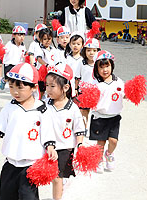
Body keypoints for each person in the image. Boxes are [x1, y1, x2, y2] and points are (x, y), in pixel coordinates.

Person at [0, 62, 57, 200]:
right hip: (10, 164)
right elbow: (0, 128)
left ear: (34, 87)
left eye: (20, 88)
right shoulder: (9, 107)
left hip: (31, 166)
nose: (15, 92)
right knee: (6, 196)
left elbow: (48, 132)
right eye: (11, 87)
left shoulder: (42, 109)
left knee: (28, 197)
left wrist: (51, 148)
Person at [45, 62, 85, 200]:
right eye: (47, 85)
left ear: (66, 87)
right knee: (50, 176)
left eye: (52, 86)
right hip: (47, 147)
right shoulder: (45, 104)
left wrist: (79, 144)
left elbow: (79, 129)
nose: (48, 90)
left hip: (64, 148)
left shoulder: (73, 108)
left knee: (57, 177)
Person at [89, 50, 124, 173]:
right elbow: (89, 99)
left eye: (107, 66)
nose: (105, 70)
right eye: (101, 67)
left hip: (114, 116)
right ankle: (99, 159)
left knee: (113, 140)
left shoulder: (118, 81)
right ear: (96, 69)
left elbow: (124, 94)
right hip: (99, 117)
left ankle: (109, 154)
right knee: (101, 142)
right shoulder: (95, 83)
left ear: (112, 66)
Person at [75, 38, 101, 134]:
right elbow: (77, 78)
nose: (91, 53)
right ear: (84, 51)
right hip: (84, 91)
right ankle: (84, 129)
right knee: (84, 112)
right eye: (89, 50)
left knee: (97, 113)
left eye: (94, 50)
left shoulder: (100, 64)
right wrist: (76, 89)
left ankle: (95, 130)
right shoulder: (82, 63)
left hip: (96, 92)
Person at [0, 25, 27, 90]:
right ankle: (4, 80)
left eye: (23, 35)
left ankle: (15, 89)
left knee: (16, 79)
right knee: (9, 78)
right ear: (14, 35)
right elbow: (4, 51)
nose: (22, 37)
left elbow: (24, 53)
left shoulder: (23, 45)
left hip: (18, 64)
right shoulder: (10, 44)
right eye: (19, 35)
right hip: (9, 64)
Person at [65, 31, 84, 97]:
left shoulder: (83, 59)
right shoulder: (67, 57)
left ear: (82, 46)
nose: (75, 46)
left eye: (78, 44)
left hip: (79, 85)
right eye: (73, 43)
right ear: (70, 44)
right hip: (68, 83)